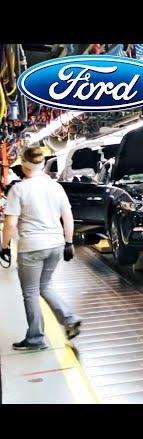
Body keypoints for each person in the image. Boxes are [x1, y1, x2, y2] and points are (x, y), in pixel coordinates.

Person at [0, 147, 81, 350]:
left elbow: (10, 224)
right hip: (55, 244)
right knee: (44, 286)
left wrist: (4, 246)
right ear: (42, 164)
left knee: (30, 292)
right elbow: (67, 216)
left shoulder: (19, 189)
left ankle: (35, 338)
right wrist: (69, 242)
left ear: (24, 166)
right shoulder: (55, 187)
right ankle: (69, 318)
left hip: (32, 247)